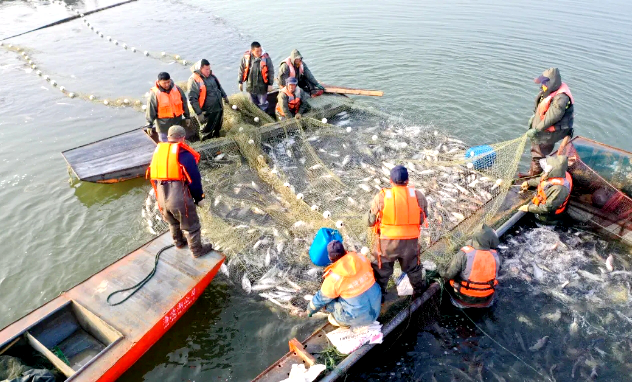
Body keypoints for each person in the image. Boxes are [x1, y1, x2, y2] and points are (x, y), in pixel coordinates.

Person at [147, 125, 213, 258]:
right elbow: (194, 179)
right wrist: (199, 198)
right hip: (178, 198)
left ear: (168, 137)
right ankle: (197, 251)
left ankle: (179, 242)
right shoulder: (185, 154)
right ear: (182, 138)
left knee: (173, 222)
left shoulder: (158, 152)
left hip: (161, 196)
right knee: (191, 226)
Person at [367, 165, 429, 301]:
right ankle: (418, 292)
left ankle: (379, 297)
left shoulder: (381, 196)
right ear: (407, 181)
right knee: (413, 268)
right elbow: (423, 217)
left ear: (390, 180)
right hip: (410, 242)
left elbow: (370, 221)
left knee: (381, 271)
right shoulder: (418, 195)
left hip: (386, 243)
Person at [306, 240, 382, 327]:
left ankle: (344, 323)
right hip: (376, 309)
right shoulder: (362, 258)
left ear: (330, 258)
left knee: (327, 302)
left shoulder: (333, 278)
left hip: (360, 320)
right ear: (345, 251)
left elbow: (319, 300)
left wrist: (309, 311)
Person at [526, 68, 575, 175]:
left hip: (549, 132)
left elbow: (552, 117)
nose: (542, 86)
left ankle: (533, 177)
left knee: (538, 154)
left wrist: (537, 129)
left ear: (551, 83)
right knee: (536, 152)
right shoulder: (550, 91)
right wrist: (534, 118)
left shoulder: (561, 98)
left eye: (544, 83)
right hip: (543, 129)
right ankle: (533, 172)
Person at [443, 224, 500, 308]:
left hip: (463, 300)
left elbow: (448, 274)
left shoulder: (464, 254)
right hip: (486, 300)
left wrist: (441, 268)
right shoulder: (496, 257)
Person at [519, 155, 572, 224]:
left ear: (554, 171)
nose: (545, 172)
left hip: (548, 217)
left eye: (546, 170)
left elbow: (547, 208)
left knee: (540, 226)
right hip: (541, 208)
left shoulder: (560, 189)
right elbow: (542, 180)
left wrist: (528, 208)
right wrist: (528, 183)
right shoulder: (557, 174)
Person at [188, 59, 229, 141]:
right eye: (206, 69)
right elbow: (193, 99)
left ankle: (217, 139)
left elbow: (219, 87)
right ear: (200, 69)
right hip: (206, 111)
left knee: (217, 127)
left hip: (218, 108)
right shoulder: (194, 80)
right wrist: (199, 113)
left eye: (209, 69)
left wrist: (225, 96)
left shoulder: (212, 76)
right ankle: (205, 143)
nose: (208, 71)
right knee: (206, 130)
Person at [146, 72, 191, 142]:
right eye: (164, 83)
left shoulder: (177, 89)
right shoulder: (154, 93)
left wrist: (187, 117)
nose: (167, 85)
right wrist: (149, 125)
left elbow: (184, 103)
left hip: (177, 123)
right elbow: (150, 110)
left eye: (168, 82)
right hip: (163, 126)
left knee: (178, 143)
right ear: (158, 82)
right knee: (165, 144)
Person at [238, 41, 274, 112]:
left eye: (260, 50)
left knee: (263, 104)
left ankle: (264, 116)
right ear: (252, 51)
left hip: (262, 88)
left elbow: (271, 71)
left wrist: (270, 84)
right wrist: (240, 82)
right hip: (250, 87)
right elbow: (241, 70)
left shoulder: (266, 58)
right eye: (257, 51)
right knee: (252, 105)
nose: (259, 53)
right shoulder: (246, 58)